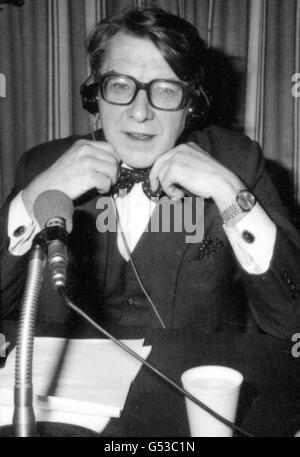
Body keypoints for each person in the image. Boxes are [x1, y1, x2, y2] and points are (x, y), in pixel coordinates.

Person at [1, 6, 300, 338]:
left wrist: (230, 194)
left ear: (191, 104)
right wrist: (31, 201)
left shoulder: (237, 162)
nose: (140, 112)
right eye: (119, 85)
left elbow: (292, 320)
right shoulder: (41, 165)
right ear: (95, 95)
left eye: (166, 90)